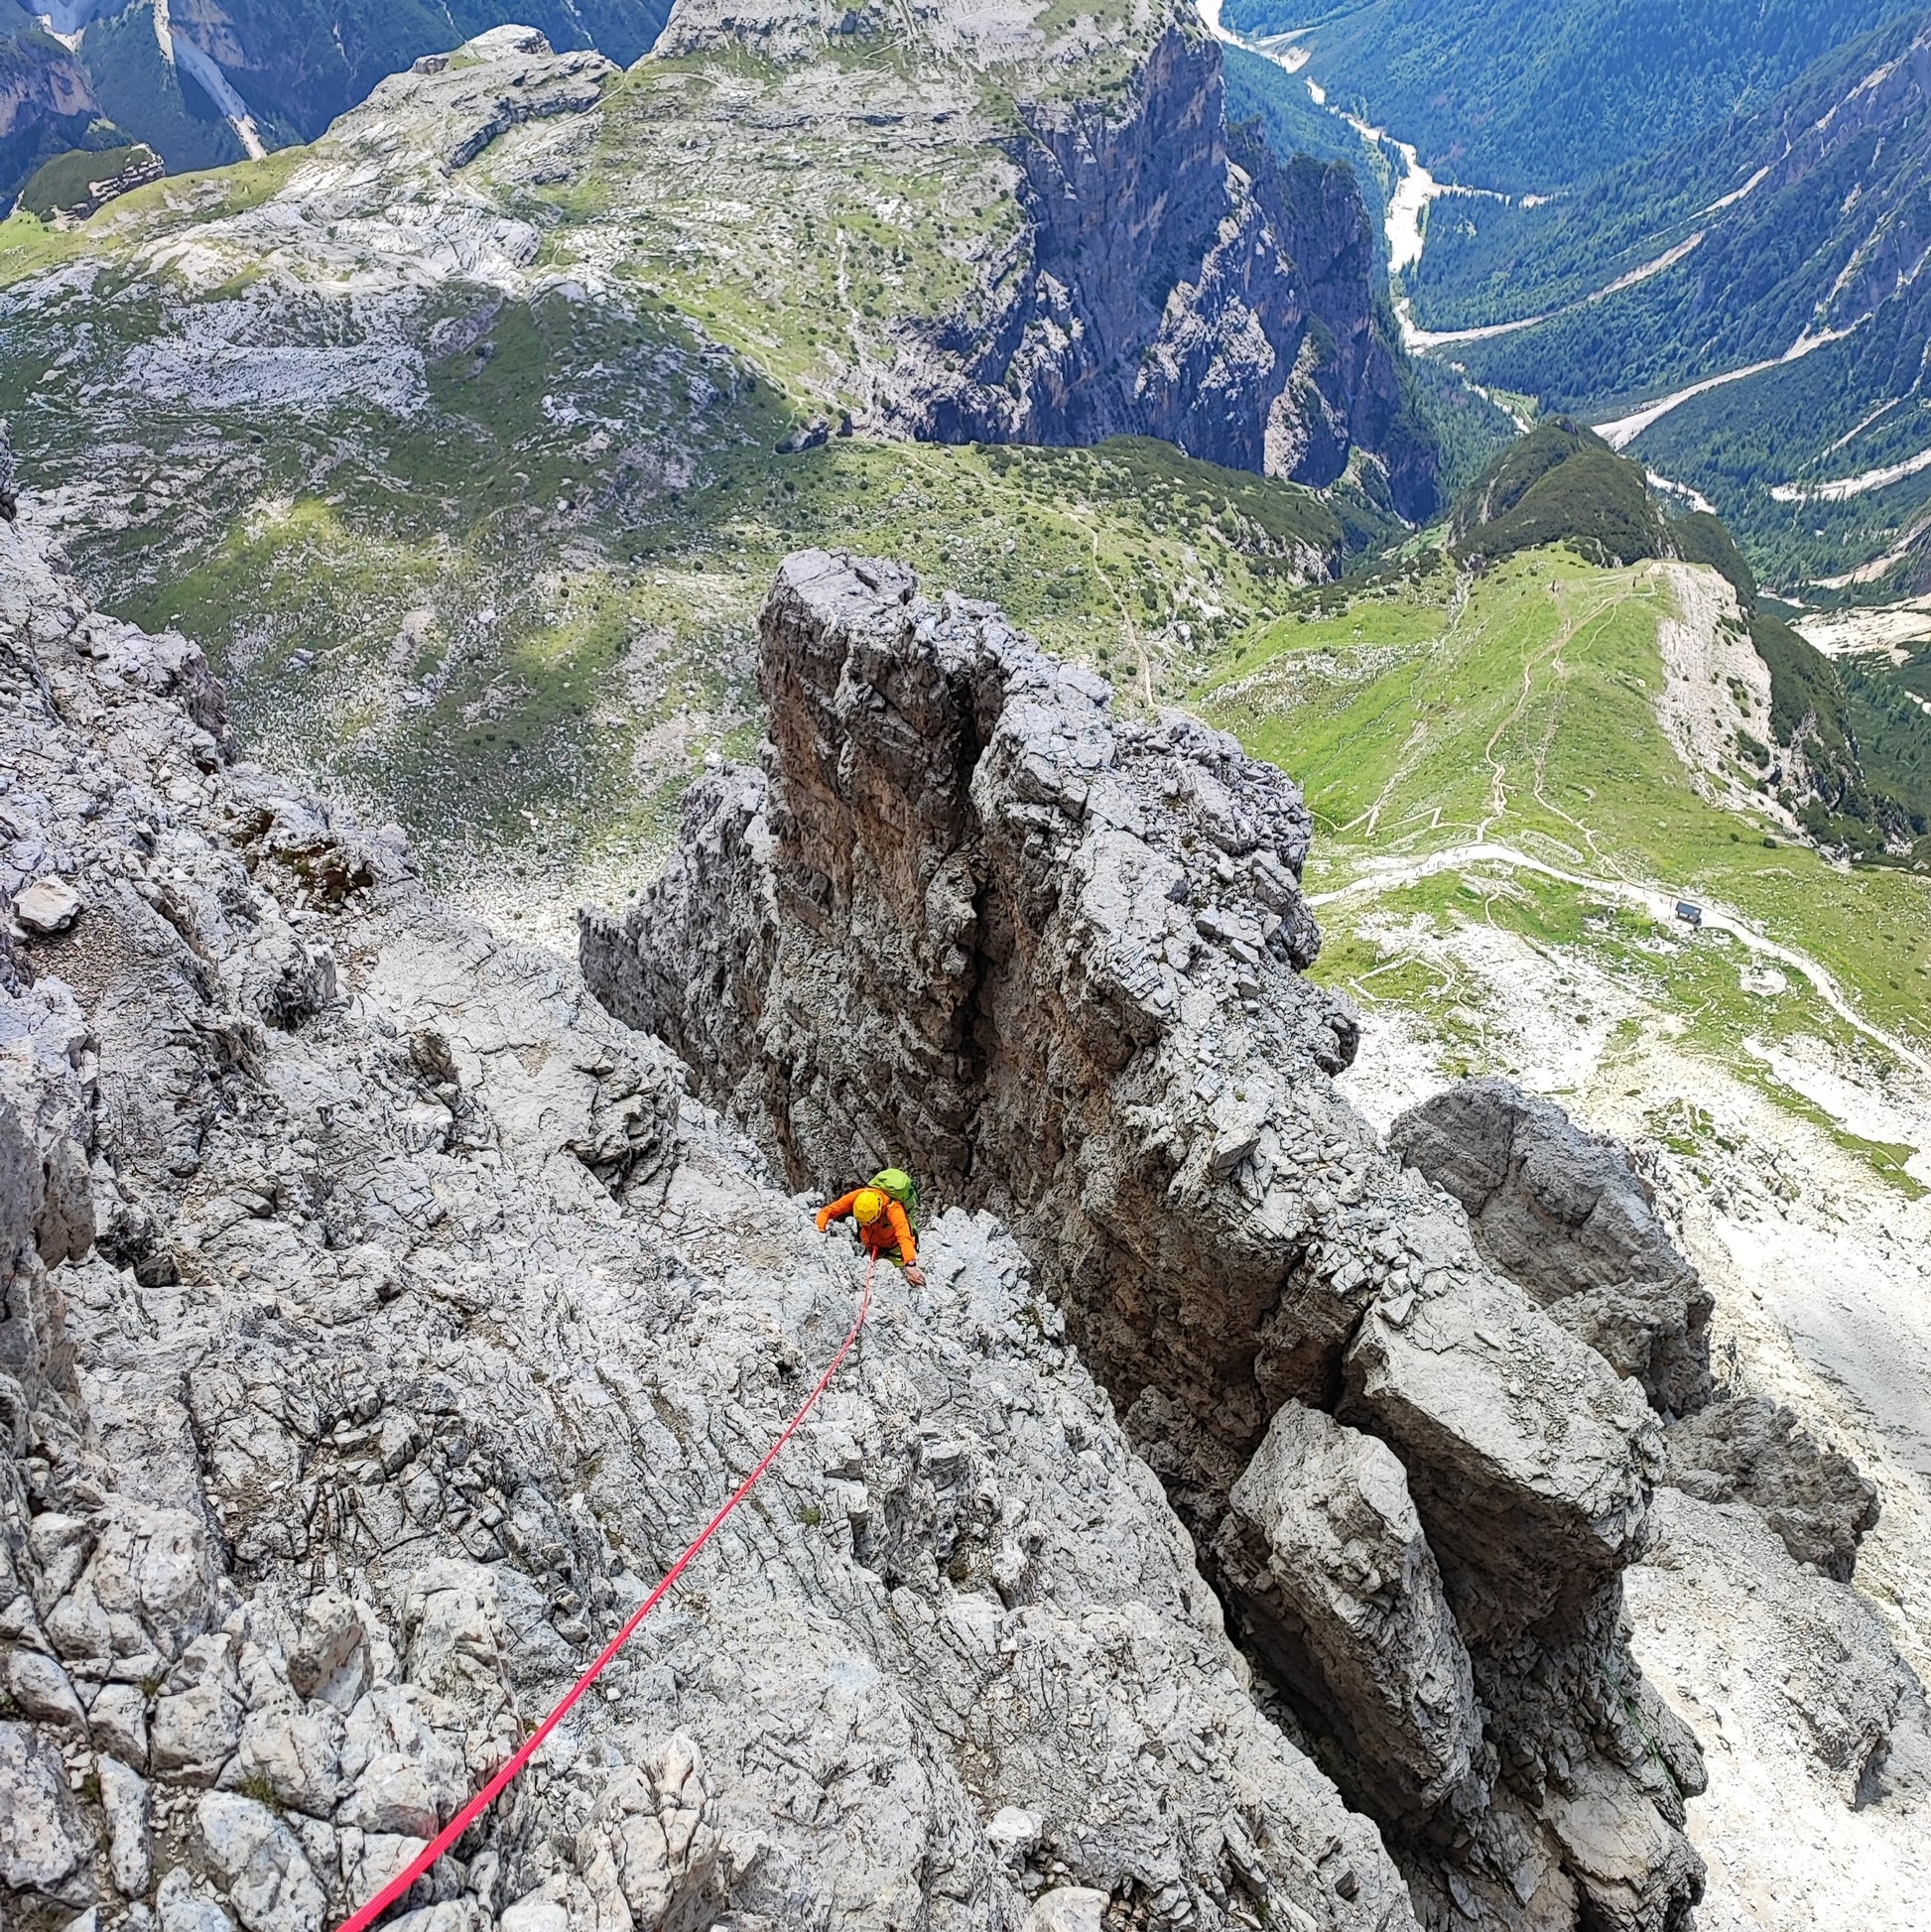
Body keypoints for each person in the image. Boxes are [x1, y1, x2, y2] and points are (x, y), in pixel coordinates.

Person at [817, 1174, 924, 1285]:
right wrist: (819, 1230)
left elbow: (904, 1236)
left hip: (894, 1248)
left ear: (878, 1212)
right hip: (870, 1244)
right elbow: (828, 1211)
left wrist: (910, 1265)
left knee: (895, 1279)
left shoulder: (894, 1209)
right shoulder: (858, 1195)